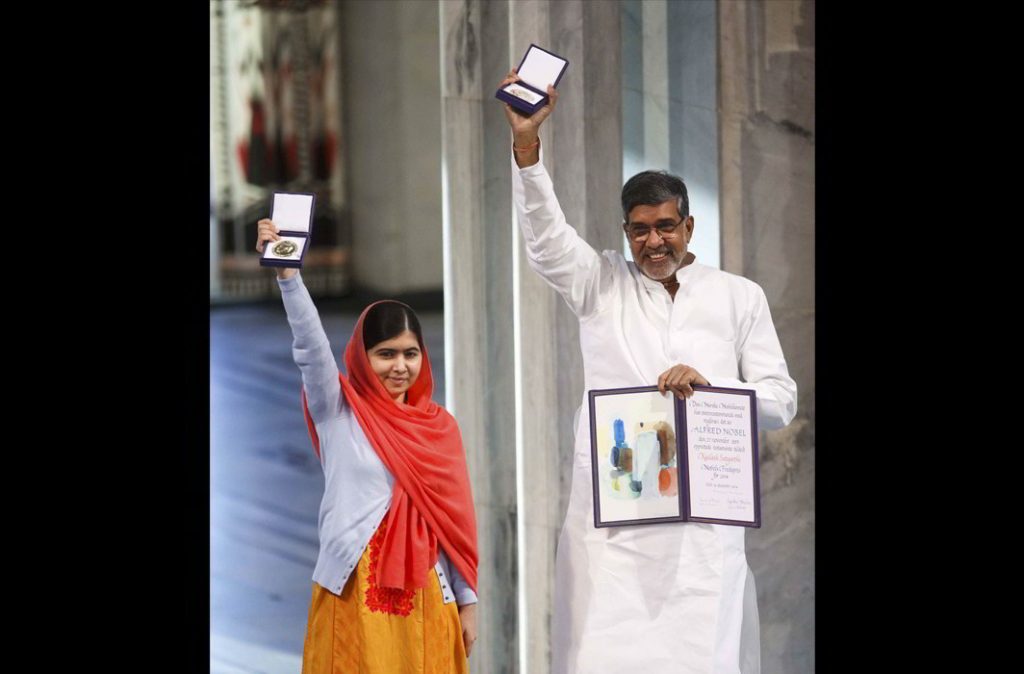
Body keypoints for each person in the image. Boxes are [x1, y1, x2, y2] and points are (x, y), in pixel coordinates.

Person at [498, 69, 797, 674]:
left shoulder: (739, 295)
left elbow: (780, 401)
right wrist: (528, 148)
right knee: (606, 654)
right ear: (626, 233)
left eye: (666, 226)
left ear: (689, 227)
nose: (653, 241)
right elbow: (546, 240)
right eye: (640, 229)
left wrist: (715, 390)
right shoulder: (600, 283)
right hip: (616, 523)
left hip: (704, 528)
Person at [256, 220, 480, 673]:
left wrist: (468, 601)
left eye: (410, 353)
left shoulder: (439, 429)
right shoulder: (338, 409)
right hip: (352, 593)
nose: (400, 366)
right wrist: (288, 276)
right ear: (362, 355)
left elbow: (452, 527)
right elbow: (310, 346)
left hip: (426, 600)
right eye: (386, 354)